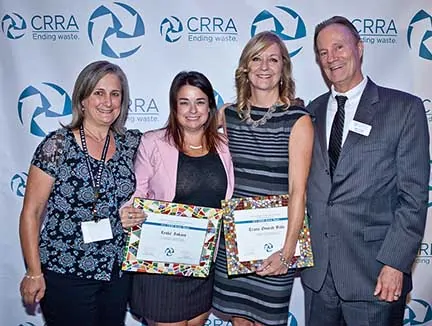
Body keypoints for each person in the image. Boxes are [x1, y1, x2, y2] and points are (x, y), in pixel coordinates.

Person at [301, 16, 429, 326]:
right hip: (318, 277)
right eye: (323, 52)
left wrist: (395, 263)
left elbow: (413, 197)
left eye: (339, 47)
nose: (332, 58)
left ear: (359, 48)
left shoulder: (403, 109)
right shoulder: (309, 113)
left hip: (374, 273)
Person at [19, 60, 142, 326]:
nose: (107, 102)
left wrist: (222, 115)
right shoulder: (57, 145)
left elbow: (180, 134)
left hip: (115, 272)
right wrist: (33, 272)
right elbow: (32, 212)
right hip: (67, 271)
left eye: (115, 94)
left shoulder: (130, 144)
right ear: (82, 99)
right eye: (98, 92)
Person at [212, 31, 314, 326]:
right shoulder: (228, 115)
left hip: (278, 241)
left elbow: (298, 191)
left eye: (273, 59)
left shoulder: (298, 119)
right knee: (239, 320)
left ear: (284, 68)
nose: (264, 66)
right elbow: (186, 134)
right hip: (235, 241)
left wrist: (286, 252)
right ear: (245, 66)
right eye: (257, 58)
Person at [120, 71, 234, 326]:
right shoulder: (153, 142)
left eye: (200, 101)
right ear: (174, 106)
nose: (192, 110)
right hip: (161, 264)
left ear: (210, 106)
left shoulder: (225, 146)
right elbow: (137, 192)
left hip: (203, 265)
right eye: (184, 102)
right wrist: (129, 212)